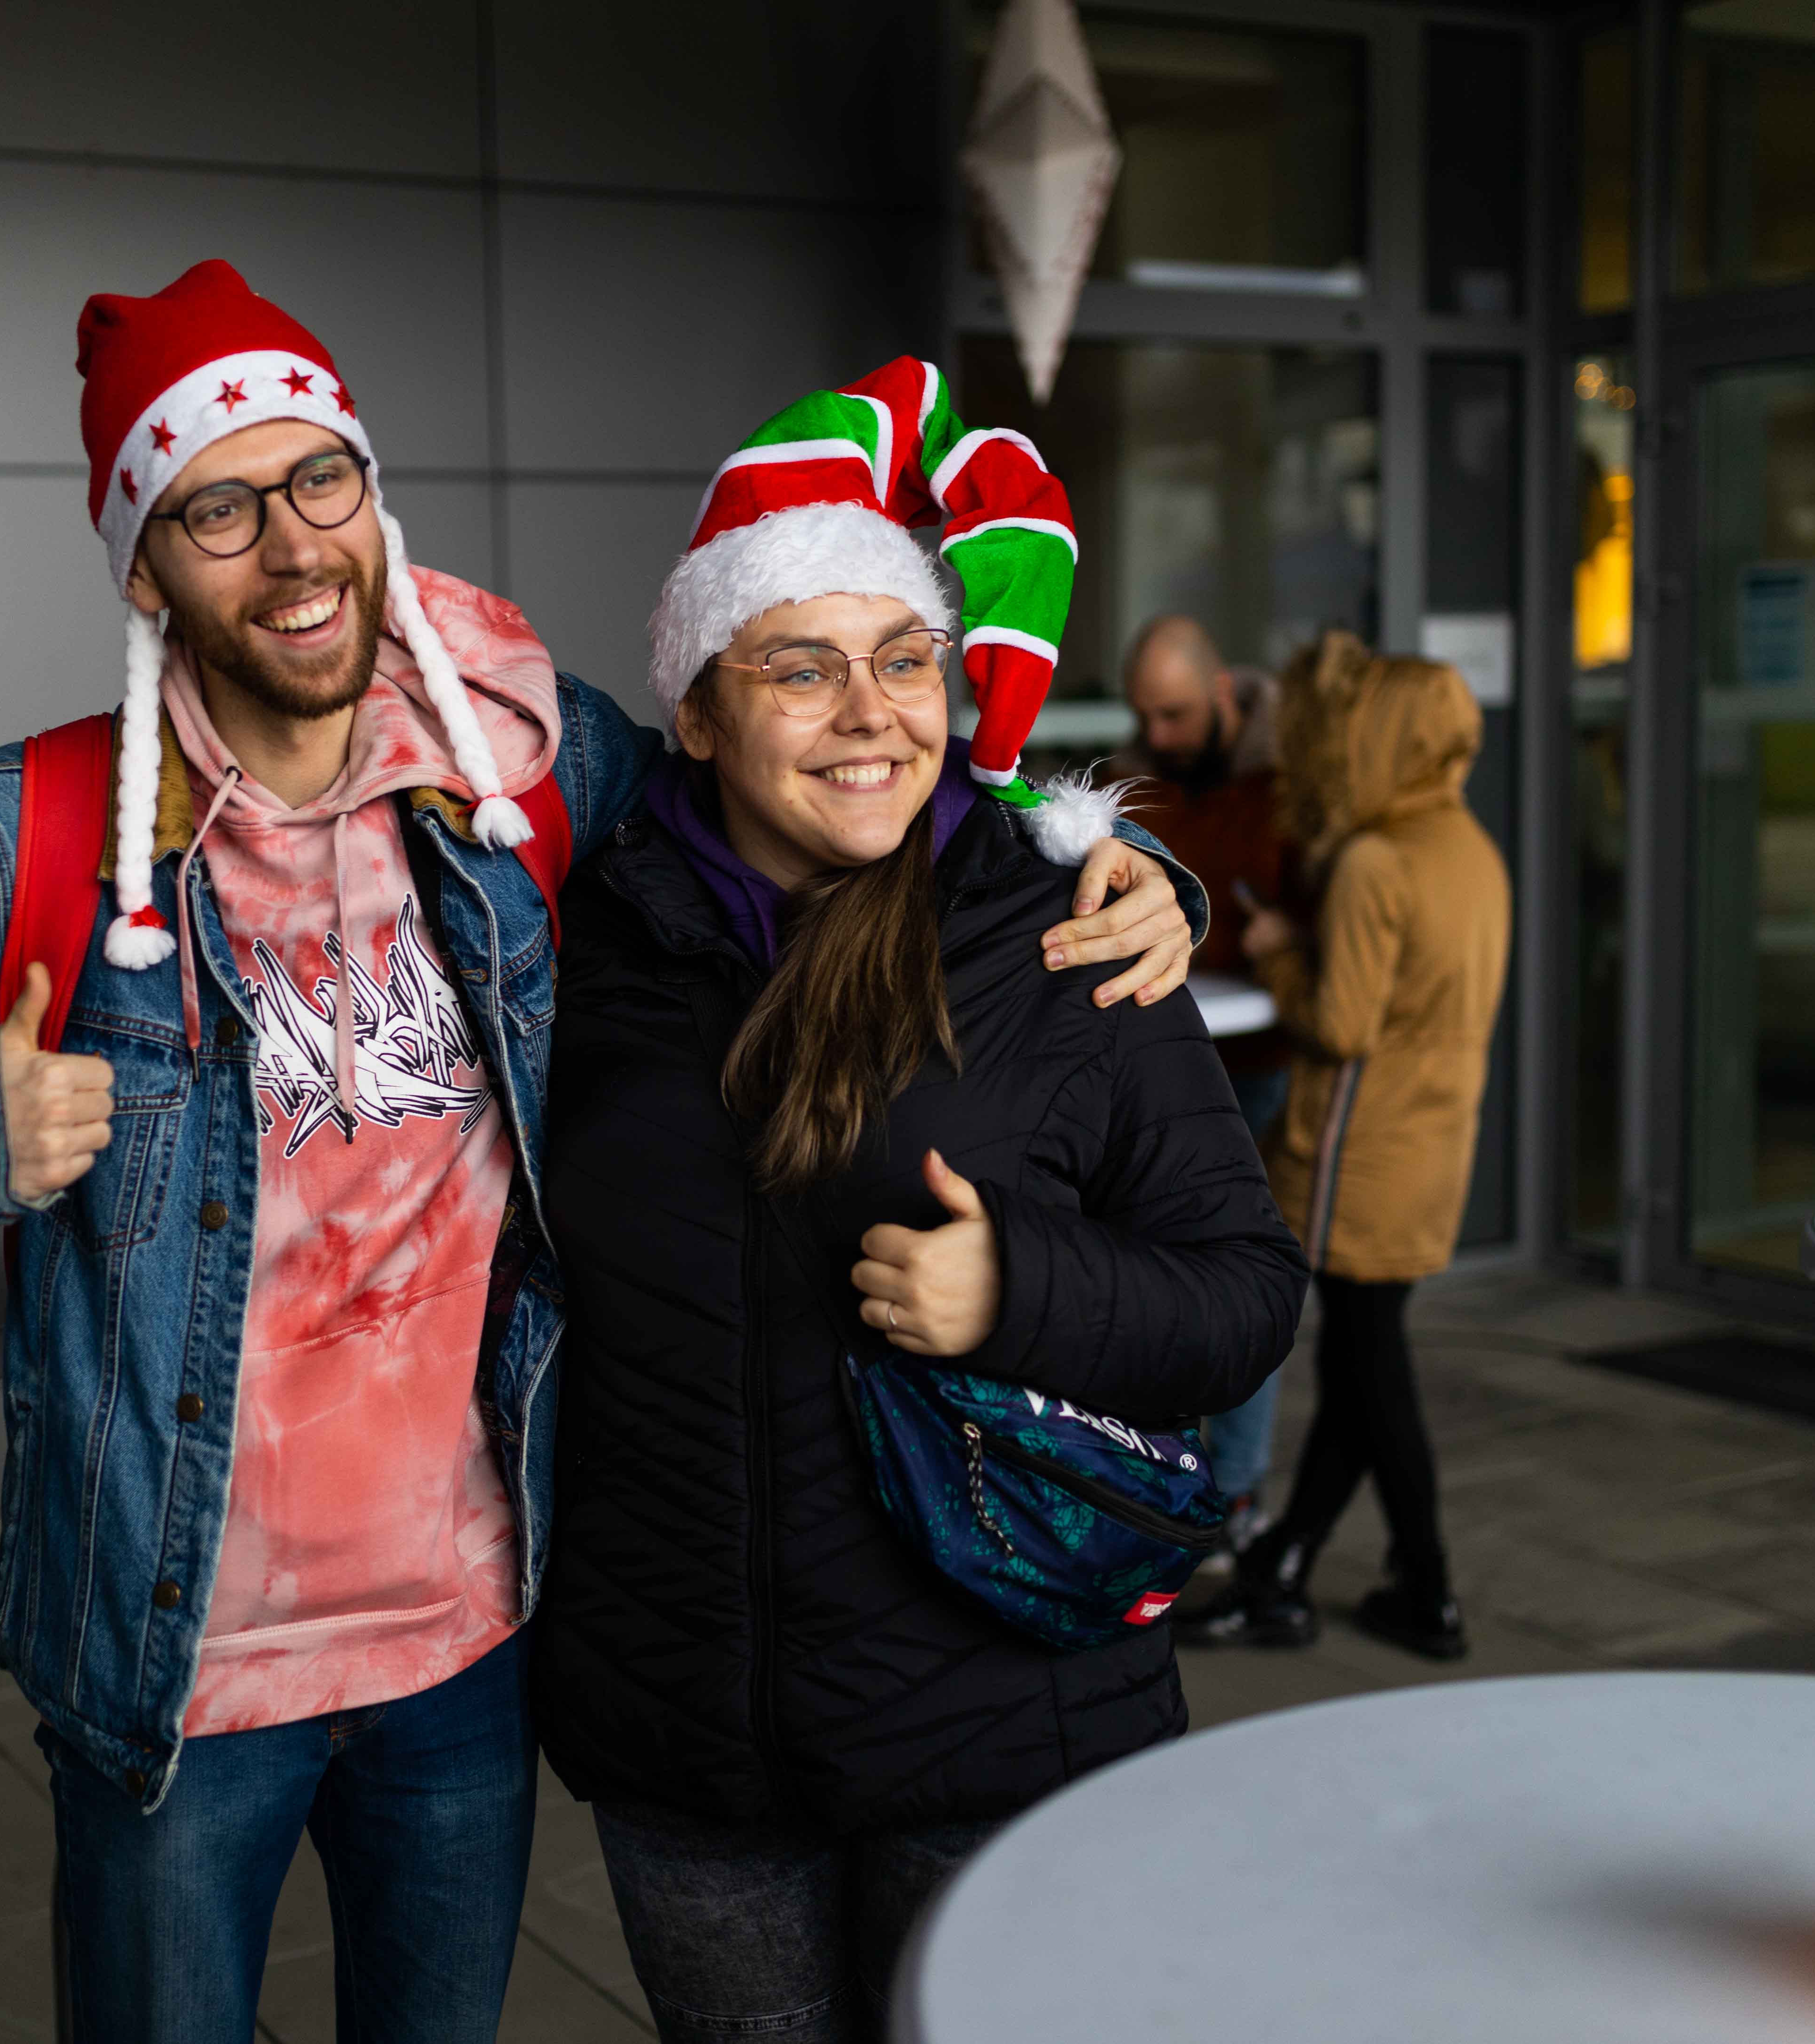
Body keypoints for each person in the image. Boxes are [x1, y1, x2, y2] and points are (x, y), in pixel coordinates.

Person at [0, 267, 1202, 2044]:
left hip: (470, 1647)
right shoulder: (28, 832)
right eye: (217, 508)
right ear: (144, 568)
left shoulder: (524, 773)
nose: (291, 544)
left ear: (372, 499)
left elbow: (822, 791)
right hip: (179, 1667)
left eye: (321, 481)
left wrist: (1110, 864)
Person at [533, 359, 1309, 2044]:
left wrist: (1018, 1291)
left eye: (904, 660)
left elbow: (1248, 1293)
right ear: (695, 710)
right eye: (800, 667)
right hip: (688, 1742)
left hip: (1002, 1725)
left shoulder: (1066, 933)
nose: (870, 712)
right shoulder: (578, 942)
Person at [1175, 632, 1511, 1663]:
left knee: (1370, 1373)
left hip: (1358, 1153)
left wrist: (1280, 951)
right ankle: (1299, 1567)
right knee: (1365, 1363)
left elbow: (1339, 1023)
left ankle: (1424, 1584)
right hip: (1435, 1138)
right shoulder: (1468, 847)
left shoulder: (1374, 860)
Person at [1108, 615, 1292, 1547]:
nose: (1161, 734)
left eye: (1176, 714)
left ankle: (1237, 1496)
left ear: (1224, 694)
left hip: (1264, 1065)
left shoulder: (1291, 783)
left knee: (1242, 1275)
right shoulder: (1133, 781)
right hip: (1158, 1064)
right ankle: (1160, 1485)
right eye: (1147, 715)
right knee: (1154, 1280)